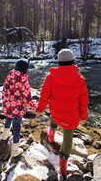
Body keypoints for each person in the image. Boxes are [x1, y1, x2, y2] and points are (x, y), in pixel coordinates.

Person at [36, 49, 89, 178]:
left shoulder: (51, 76)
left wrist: (40, 109)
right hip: (71, 116)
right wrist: (83, 115)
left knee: (54, 116)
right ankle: (63, 168)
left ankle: (51, 135)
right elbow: (84, 99)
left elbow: (44, 95)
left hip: (55, 111)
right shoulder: (79, 78)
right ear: (73, 62)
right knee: (68, 138)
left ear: (59, 62)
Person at [0, 58, 37, 157]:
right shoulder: (23, 81)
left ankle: (4, 135)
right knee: (17, 128)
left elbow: (4, 91)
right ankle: (15, 150)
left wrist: (5, 102)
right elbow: (27, 98)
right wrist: (35, 109)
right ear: (25, 70)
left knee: (9, 118)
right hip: (18, 108)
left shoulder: (9, 76)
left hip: (8, 105)